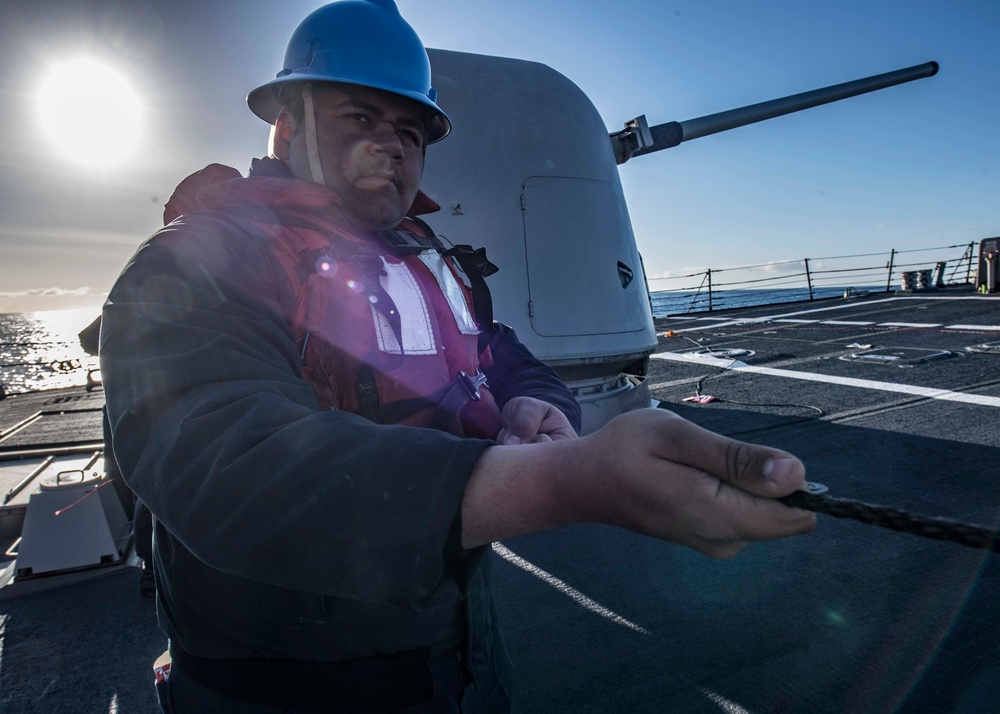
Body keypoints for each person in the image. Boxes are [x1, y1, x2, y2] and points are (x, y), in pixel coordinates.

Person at [100, 1, 816, 711]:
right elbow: (228, 465)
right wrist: (561, 484)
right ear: (287, 128)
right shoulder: (197, 264)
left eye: (411, 130)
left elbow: (496, 351)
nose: (393, 146)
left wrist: (539, 402)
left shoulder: (423, 258)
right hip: (290, 688)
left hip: (459, 658)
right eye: (360, 118)